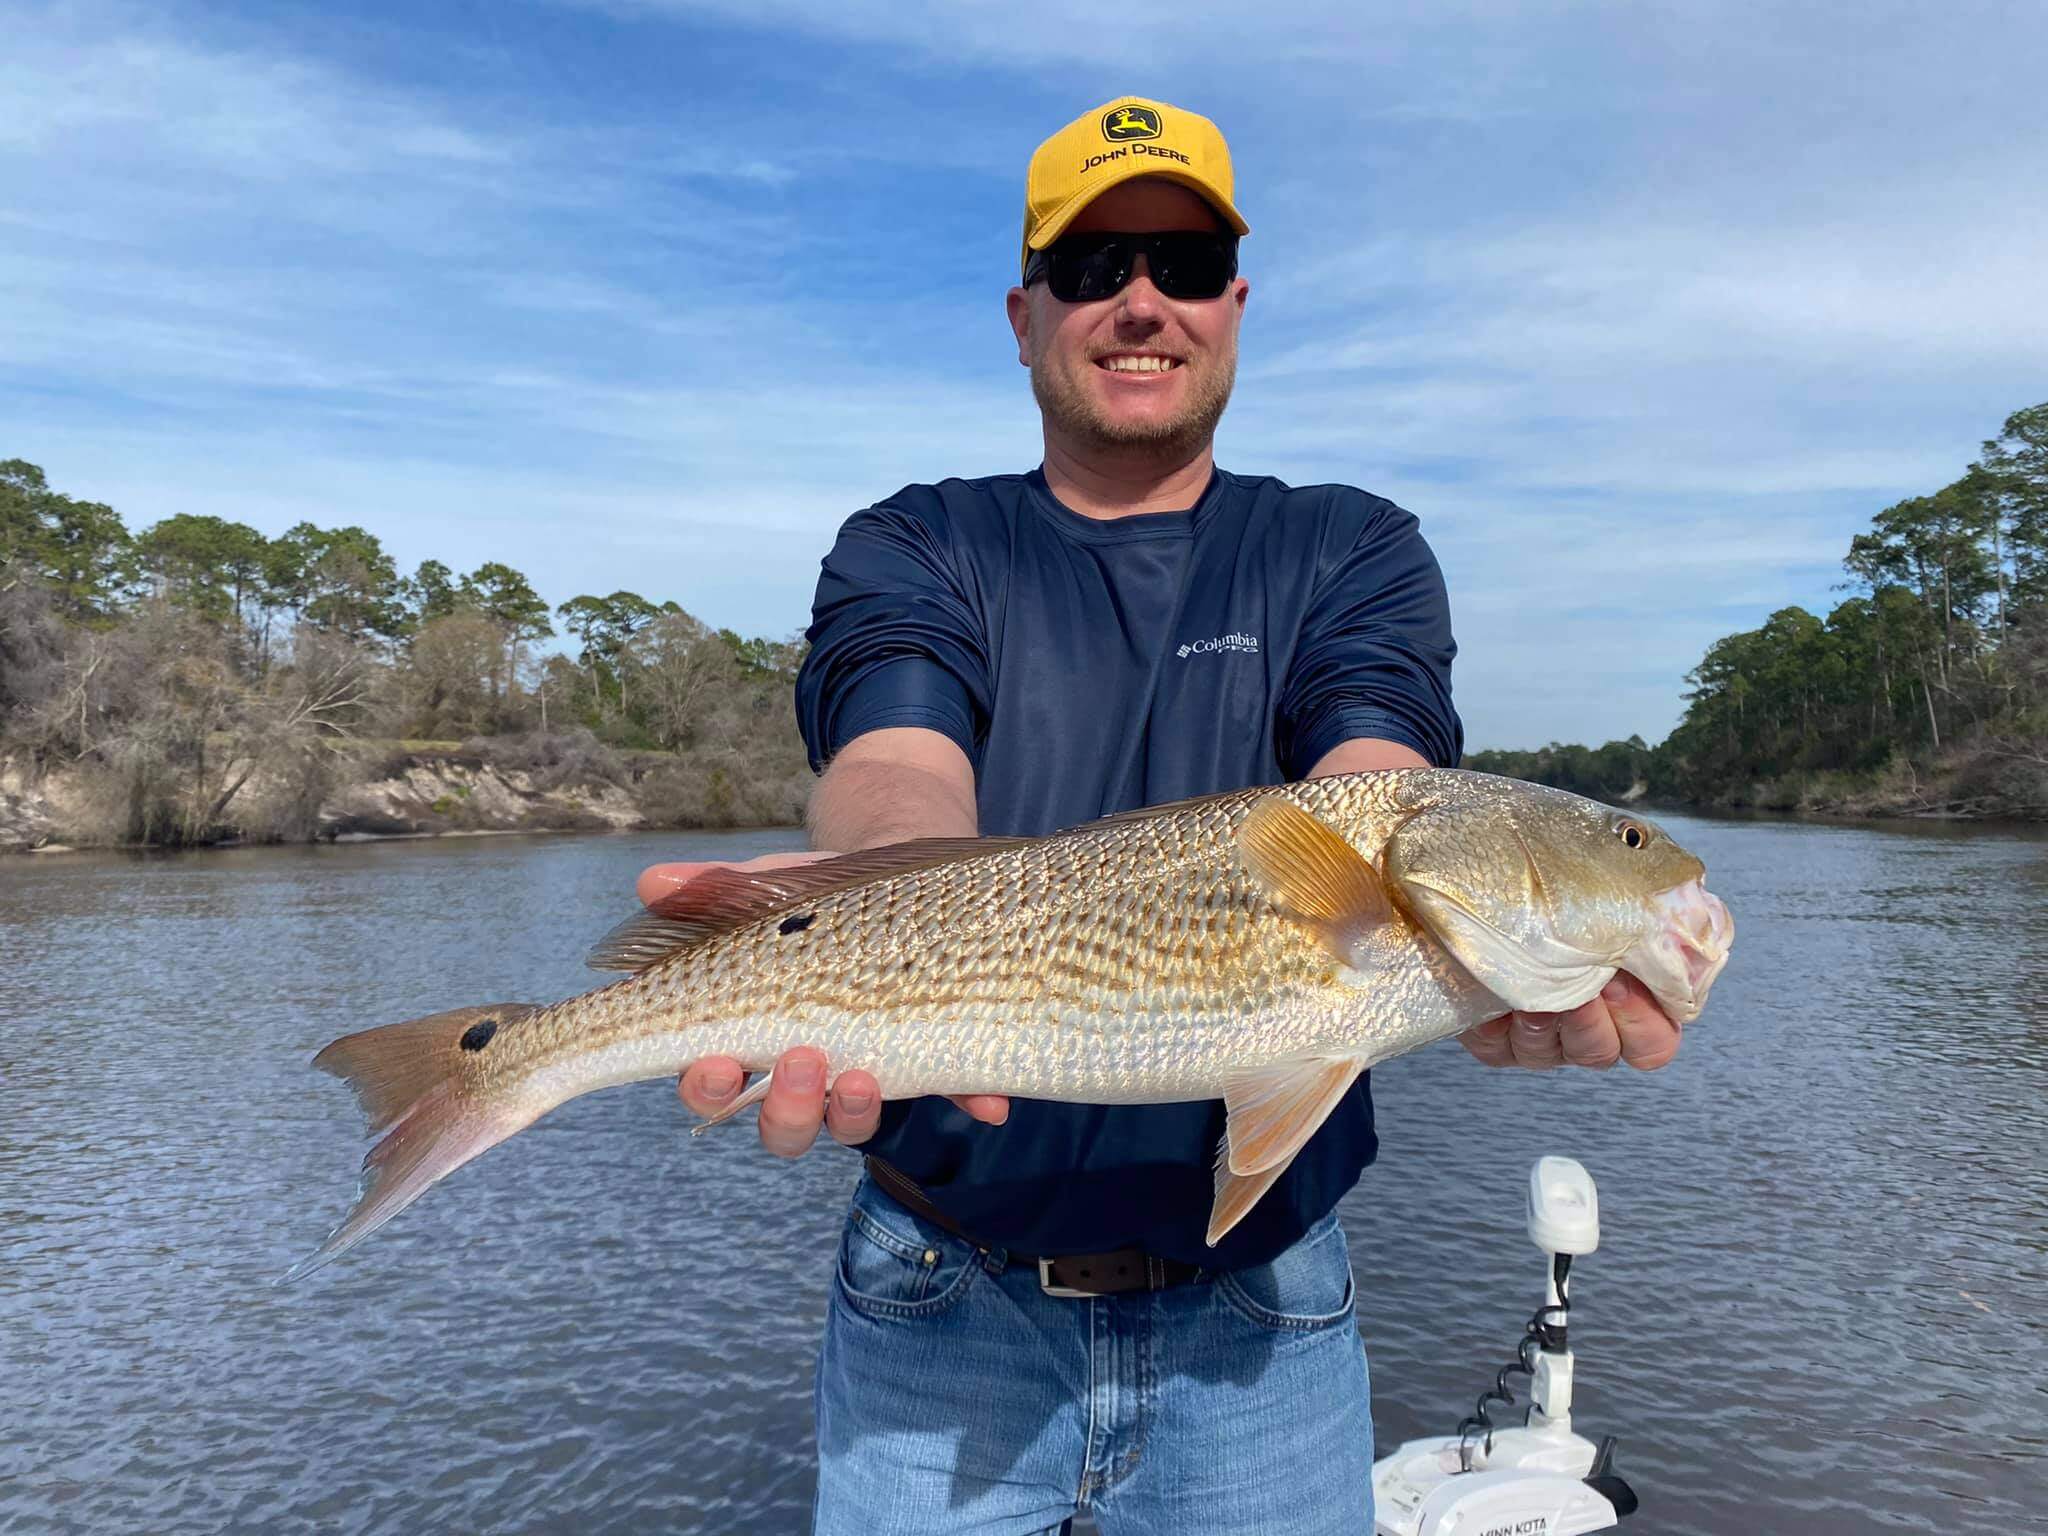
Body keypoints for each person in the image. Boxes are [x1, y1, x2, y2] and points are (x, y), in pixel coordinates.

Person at [638, 96, 1683, 1536]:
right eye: (1092, 266)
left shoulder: (1351, 545)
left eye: (1184, 268)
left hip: (1267, 1320)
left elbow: (1368, 776)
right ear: (1022, 314)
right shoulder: (917, 539)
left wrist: (1502, 939)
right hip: (935, 1297)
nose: (1141, 303)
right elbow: (896, 744)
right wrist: (862, 881)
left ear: (1236, 305)